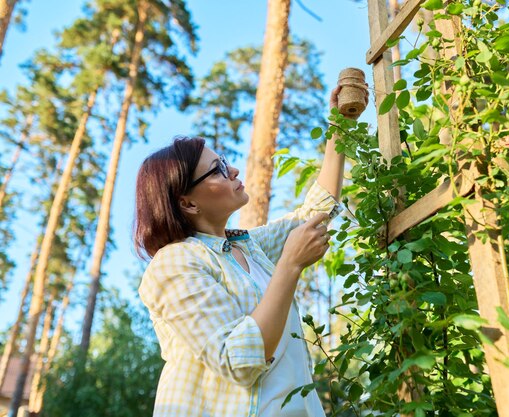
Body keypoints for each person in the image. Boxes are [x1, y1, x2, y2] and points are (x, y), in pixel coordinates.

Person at [133, 83, 367, 417]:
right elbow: (238, 360)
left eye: (224, 161)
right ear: (187, 202)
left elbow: (315, 212)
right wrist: (290, 265)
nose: (233, 170)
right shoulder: (175, 263)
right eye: (217, 169)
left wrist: (339, 125)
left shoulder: (248, 247)